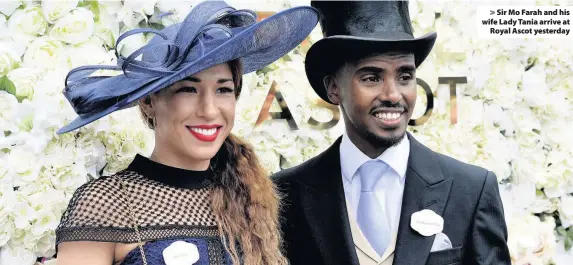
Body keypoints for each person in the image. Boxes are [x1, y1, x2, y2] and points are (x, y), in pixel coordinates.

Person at [54, 1, 318, 265]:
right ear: (148, 102)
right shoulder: (105, 203)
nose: (209, 110)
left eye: (223, 89)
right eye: (188, 90)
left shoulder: (252, 200)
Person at [272, 1, 512, 265]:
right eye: (371, 78)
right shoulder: (284, 195)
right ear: (333, 88)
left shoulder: (472, 190)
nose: (393, 95)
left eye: (405, 76)